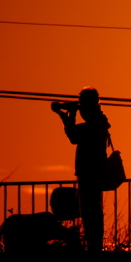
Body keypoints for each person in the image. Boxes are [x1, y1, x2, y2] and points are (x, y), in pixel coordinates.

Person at [52, 87, 110, 251]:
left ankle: (95, 245)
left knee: (90, 210)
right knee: (91, 209)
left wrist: (69, 116)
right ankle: (94, 243)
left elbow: (73, 136)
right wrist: (67, 115)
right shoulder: (98, 122)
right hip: (91, 172)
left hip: (90, 172)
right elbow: (74, 134)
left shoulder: (94, 125)